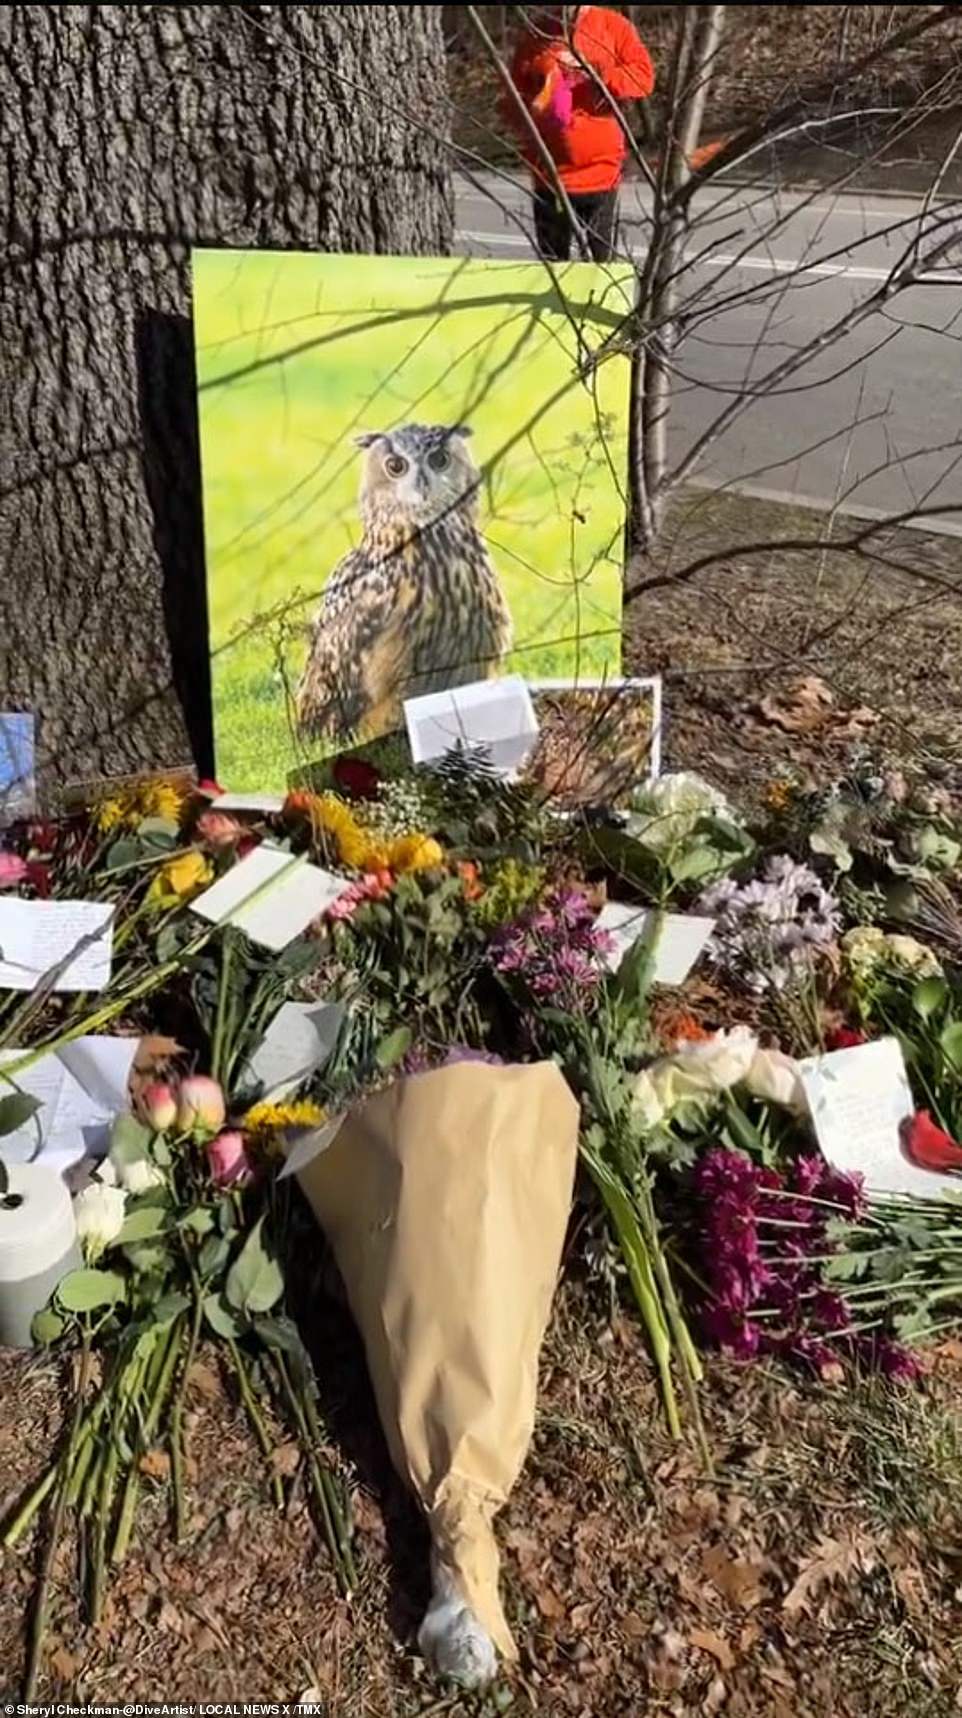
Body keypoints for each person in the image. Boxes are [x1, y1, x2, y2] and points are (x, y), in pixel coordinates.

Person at [504, 4, 654, 263]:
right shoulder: (536, 34)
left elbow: (643, 78)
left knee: (601, 266)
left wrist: (595, 72)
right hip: (550, 176)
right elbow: (512, 99)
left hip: (600, 173)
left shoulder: (613, 26)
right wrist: (538, 102)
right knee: (553, 266)